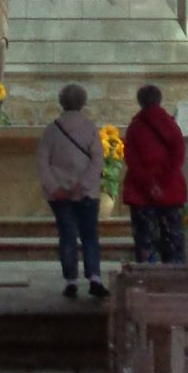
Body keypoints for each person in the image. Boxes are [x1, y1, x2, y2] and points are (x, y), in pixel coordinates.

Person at [36, 82, 107, 300]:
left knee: (67, 235)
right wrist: (83, 185)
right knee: (89, 235)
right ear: (83, 103)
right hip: (86, 193)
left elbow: (42, 161)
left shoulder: (51, 129)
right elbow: (97, 160)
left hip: (59, 194)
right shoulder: (89, 128)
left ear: (61, 102)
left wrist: (55, 187)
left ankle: (71, 280)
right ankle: (94, 277)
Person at [122, 83, 188, 265]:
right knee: (173, 239)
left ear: (140, 102)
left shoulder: (135, 127)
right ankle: (175, 279)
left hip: (140, 191)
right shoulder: (171, 125)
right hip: (171, 190)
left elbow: (131, 159)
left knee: (145, 240)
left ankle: (147, 278)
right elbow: (177, 157)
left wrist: (150, 185)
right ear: (160, 100)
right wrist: (163, 183)